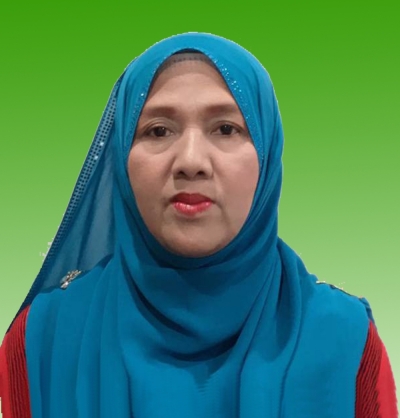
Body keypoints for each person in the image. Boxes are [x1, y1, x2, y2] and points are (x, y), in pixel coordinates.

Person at [0, 32, 397, 418]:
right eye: (158, 130)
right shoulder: (41, 342)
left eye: (226, 129)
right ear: (122, 157)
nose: (191, 161)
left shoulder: (346, 342)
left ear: (267, 154)